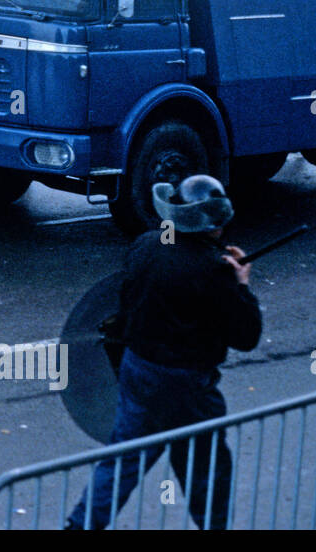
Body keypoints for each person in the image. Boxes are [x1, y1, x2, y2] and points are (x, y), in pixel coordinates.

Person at [66, 175, 259, 529]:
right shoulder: (214, 270)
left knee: (122, 461)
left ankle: (81, 525)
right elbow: (246, 336)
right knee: (206, 467)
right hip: (187, 387)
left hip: (138, 369)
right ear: (214, 223)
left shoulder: (145, 245)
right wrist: (241, 285)